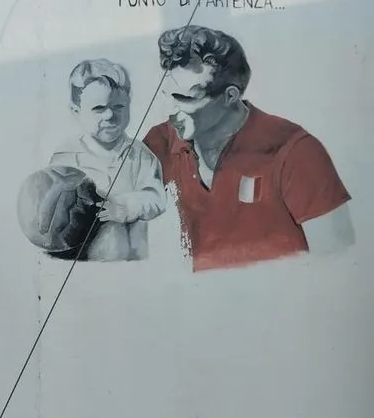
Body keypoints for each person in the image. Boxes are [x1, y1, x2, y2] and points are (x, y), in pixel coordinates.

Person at [143, 25, 354, 272]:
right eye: (166, 94)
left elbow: (340, 262)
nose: (168, 111)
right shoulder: (161, 141)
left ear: (230, 96)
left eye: (185, 99)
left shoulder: (297, 151)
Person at [17, 58, 166, 261]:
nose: (110, 115)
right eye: (99, 108)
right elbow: (47, 207)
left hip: (129, 264)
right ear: (76, 111)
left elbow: (157, 199)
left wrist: (123, 207)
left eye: (119, 106)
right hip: (83, 266)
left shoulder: (141, 154)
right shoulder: (66, 155)